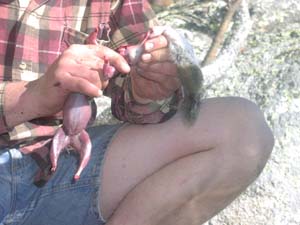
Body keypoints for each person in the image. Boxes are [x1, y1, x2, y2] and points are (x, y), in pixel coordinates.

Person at [0, 0, 274, 225]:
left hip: (60, 164)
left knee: (241, 129)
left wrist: (149, 86)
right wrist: (34, 96)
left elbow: (146, 104)